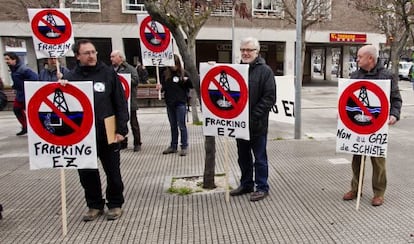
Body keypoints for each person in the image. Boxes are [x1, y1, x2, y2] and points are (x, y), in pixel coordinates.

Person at [61, 39, 129, 221]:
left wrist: (122, 129)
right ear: (77, 56)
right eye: (86, 53)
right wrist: (60, 88)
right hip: (82, 135)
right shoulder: (71, 77)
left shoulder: (108, 74)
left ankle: (115, 204)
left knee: (113, 172)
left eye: (93, 52)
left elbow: (120, 103)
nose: (91, 56)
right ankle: (94, 205)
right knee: (87, 174)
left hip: (107, 131)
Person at [342, 44, 402, 207]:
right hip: (357, 126)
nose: (357, 59)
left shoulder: (387, 76)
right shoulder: (355, 76)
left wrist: (394, 115)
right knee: (357, 160)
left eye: (360, 56)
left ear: (370, 58)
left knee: (378, 161)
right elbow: (347, 98)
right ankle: (355, 189)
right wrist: (342, 113)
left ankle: (379, 193)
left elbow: (396, 99)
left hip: (377, 126)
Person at [229, 37, 276, 202]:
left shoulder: (265, 71)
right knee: (243, 157)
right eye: (243, 50)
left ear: (257, 52)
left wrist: (253, 116)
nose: (245, 53)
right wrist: (212, 68)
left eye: (249, 50)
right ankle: (246, 184)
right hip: (239, 125)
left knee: (260, 158)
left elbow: (269, 98)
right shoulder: (236, 69)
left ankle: (262, 187)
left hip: (257, 125)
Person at [156, 54, 193, 156]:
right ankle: (173, 145)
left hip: (180, 103)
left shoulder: (184, 73)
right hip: (170, 103)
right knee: (173, 125)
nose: (173, 67)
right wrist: (160, 87)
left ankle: (184, 146)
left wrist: (187, 81)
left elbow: (192, 86)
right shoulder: (165, 74)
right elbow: (164, 87)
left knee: (182, 125)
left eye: (175, 64)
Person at [110, 50, 142, 152]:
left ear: (120, 58)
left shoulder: (129, 69)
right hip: (116, 102)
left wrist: (124, 80)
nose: (111, 59)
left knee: (134, 123)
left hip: (129, 100)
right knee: (119, 123)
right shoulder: (110, 70)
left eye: (113, 57)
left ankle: (137, 143)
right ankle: (122, 142)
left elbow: (136, 81)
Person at [3, 52, 38, 136]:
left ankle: (34, 127)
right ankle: (25, 126)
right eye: (5, 59)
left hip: (27, 93)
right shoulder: (13, 69)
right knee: (17, 109)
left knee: (32, 112)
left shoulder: (23, 69)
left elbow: (35, 78)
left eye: (8, 59)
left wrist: (24, 85)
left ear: (14, 59)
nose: (6, 61)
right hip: (20, 94)